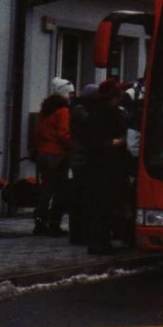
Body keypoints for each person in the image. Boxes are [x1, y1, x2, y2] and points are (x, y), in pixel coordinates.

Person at [83, 77, 132, 255]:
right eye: (117, 96)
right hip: (106, 168)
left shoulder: (98, 112)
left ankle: (100, 241)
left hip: (101, 167)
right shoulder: (105, 115)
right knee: (105, 206)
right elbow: (96, 142)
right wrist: (117, 142)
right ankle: (100, 242)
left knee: (102, 207)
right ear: (113, 97)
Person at [33, 77, 74, 236]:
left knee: (45, 191)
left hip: (44, 153)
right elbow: (63, 134)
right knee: (60, 191)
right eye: (70, 93)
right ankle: (54, 223)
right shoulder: (63, 111)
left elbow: (37, 133)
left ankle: (40, 223)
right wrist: (72, 147)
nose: (71, 96)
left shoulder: (46, 110)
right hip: (57, 154)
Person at [67, 83, 97, 245]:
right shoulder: (80, 109)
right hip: (80, 158)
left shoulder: (80, 108)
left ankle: (80, 232)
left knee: (81, 197)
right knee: (80, 197)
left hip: (80, 157)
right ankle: (78, 233)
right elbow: (90, 124)